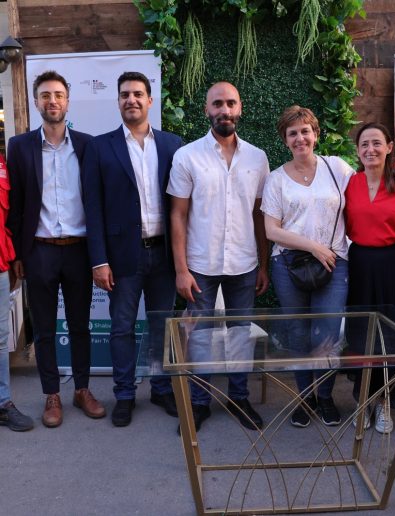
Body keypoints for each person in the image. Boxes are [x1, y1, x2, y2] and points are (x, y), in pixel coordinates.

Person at [167, 81, 270, 432]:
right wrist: (181, 269)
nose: (224, 110)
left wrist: (263, 264)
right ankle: (199, 402)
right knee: (199, 336)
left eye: (230, 103)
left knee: (240, 333)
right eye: (217, 104)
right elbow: (178, 214)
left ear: (240, 108)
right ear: (206, 109)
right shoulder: (187, 156)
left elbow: (259, 215)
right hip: (200, 264)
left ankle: (239, 398)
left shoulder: (257, 158)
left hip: (244, 263)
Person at [82, 71, 183, 427]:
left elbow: (183, 205)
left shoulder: (172, 144)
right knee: (122, 327)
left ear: (150, 100)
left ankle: (161, 388)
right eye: (125, 94)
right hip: (123, 255)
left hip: (164, 254)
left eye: (138, 94)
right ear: (118, 101)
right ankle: (124, 394)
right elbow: (92, 208)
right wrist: (99, 260)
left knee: (162, 326)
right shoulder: (100, 147)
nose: (132, 100)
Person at [7, 70, 105, 428]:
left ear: (67, 101)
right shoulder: (19, 146)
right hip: (39, 251)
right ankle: (51, 394)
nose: (52, 101)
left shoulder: (87, 145)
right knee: (45, 328)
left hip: (79, 250)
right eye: (46, 95)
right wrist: (18, 255)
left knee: (80, 326)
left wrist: (100, 255)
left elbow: (96, 201)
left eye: (58, 95)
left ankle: (82, 389)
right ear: (36, 102)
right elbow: (16, 204)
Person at [262, 105, 353, 428]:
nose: (300, 138)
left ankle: (325, 396)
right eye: (292, 133)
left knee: (327, 331)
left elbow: (366, 190)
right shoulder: (276, 179)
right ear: (285, 140)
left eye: (305, 131)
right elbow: (271, 231)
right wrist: (314, 246)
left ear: (315, 134)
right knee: (298, 333)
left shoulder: (337, 168)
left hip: (334, 262)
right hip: (289, 265)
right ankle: (304, 398)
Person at [345, 122, 395, 434]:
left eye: (377, 143)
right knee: (361, 332)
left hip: (394, 263)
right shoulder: (349, 182)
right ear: (357, 151)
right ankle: (361, 398)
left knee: (390, 334)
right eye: (364, 144)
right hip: (360, 263)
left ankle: (384, 401)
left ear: (389, 147)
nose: (371, 149)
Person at [0, 155, 33, 432]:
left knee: (0, 339)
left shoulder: (0, 163)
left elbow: (8, 217)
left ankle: (3, 403)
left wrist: (11, 260)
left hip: (0, 264)